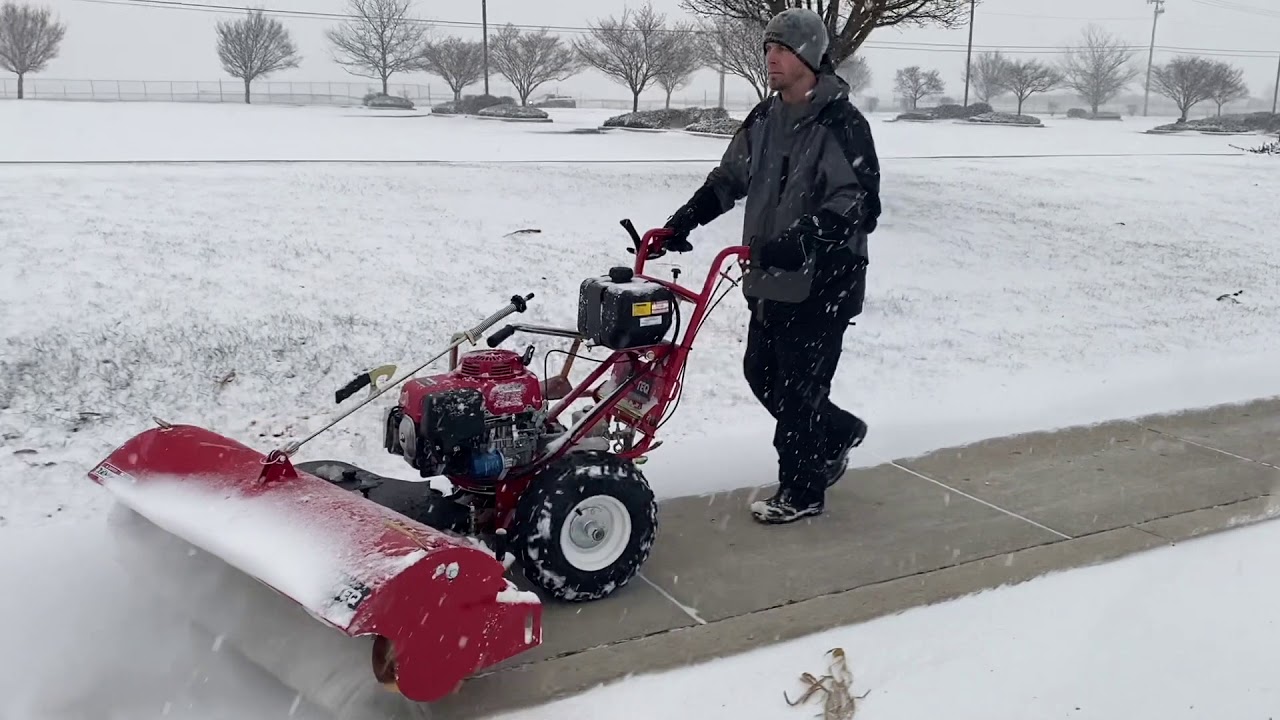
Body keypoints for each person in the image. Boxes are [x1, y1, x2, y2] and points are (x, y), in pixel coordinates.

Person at [657, 7, 881, 524]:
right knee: (762, 374)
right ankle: (837, 432)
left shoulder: (840, 123)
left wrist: (804, 238)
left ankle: (801, 491)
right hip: (767, 278)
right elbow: (727, 180)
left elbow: (859, 201)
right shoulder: (764, 118)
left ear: (809, 56)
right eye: (767, 48)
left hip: (823, 280)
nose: (770, 58)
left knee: (799, 394)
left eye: (781, 48)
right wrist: (683, 222)